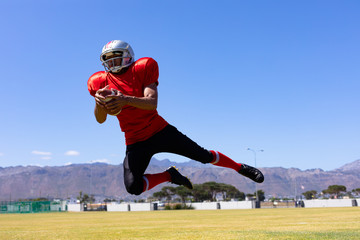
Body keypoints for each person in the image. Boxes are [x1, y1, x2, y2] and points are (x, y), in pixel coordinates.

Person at [87, 40, 264, 196]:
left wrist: (124, 99)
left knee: (203, 156)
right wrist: (98, 102)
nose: (111, 63)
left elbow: (151, 103)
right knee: (133, 187)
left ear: (127, 56)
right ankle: (169, 175)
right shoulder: (99, 82)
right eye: (108, 60)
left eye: (115, 58)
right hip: (134, 139)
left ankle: (240, 167)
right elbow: (100, 119)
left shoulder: (142, 68)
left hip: (159, 130)